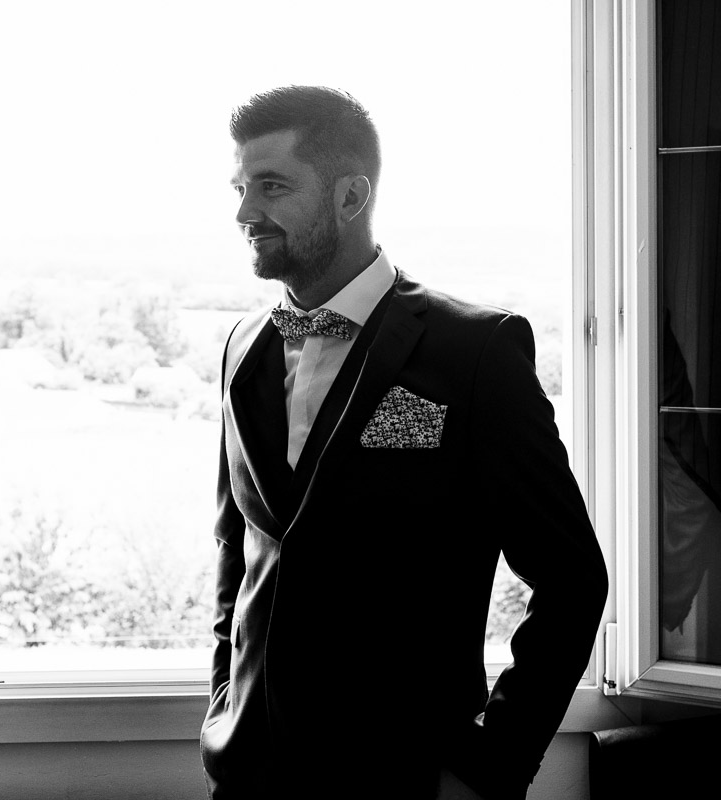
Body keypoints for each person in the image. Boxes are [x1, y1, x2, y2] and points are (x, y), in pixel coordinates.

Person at [199, 86, 608, 799]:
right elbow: (238, 552)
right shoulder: (243, 346)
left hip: (408, 780)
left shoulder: (476, 352)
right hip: (246, 777)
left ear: (351, 195)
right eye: (240, 188)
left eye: (271, 186)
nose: (243, 212)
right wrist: (223, 713)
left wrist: (491, 766)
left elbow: (573, 579)